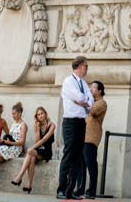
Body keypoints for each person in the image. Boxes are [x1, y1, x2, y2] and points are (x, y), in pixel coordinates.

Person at [57, 57, 93, 199]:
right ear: (78, 66)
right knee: (69, 154)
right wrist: (83, 102)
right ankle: (61, 189)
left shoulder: (84, 83)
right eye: (86, 65)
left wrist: (83, 103)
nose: (87, 68)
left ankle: (70, 191)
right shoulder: (68, 81)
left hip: (81, 122)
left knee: (78, 157)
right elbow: (80, 98)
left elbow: (90, 103)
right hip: (70, 122)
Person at [16, 106, 55, 194]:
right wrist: (37, 129)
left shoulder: (51, 125)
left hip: (47, 152)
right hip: (38, 151)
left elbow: (44, 139)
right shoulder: (36, 125)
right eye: (38, 115)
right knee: (32, 157)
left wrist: (32, 148)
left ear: (45, 114)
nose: (40, 116)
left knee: (30, 152)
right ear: (36, 117)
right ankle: (29, 185)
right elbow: (37, 141)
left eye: (42, 113)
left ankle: (19, 177)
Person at [81, 81, 106, 198]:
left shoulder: (102, 103)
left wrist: (84, 101)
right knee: (82, 164)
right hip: (83, 135)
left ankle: (92, 191)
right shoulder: (92, 101)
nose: (91, 89)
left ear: (100, 90)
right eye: (90, 87)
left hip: (92, 137)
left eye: (93, 88)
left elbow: (92, 111)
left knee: (91, 164)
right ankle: (80, 189)